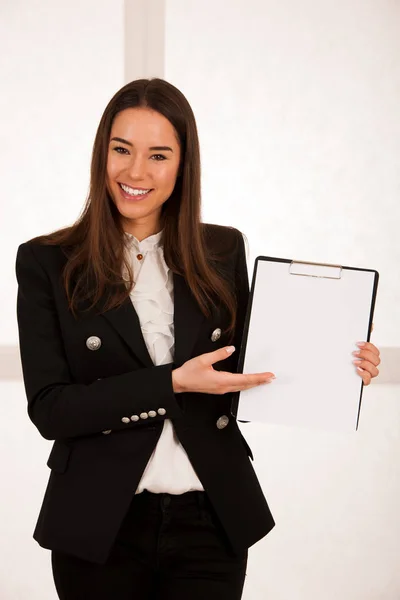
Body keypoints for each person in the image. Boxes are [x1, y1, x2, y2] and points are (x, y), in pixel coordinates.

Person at [15, 78, 381, 600]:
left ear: (184, 165)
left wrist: (342, 363)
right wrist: (172, 383)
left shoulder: (221, 250)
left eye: (158, 155)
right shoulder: (46, 261)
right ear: (102, 154)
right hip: (98, 525)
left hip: (211, 520)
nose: (135, 172)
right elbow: (51, 410)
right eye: (121, 149)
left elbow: (248, 366)